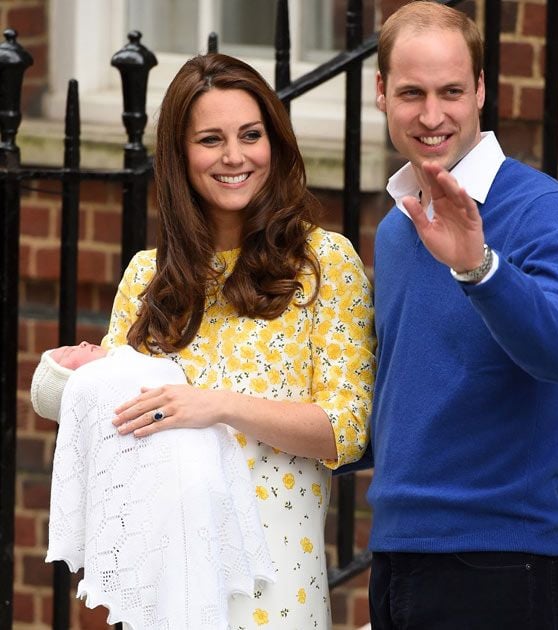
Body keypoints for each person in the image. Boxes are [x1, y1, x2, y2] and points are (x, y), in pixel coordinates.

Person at [100, 53, 376, 628]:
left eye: (251, 135)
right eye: (210, 139)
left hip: (278, 591)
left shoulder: (324, 263)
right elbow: (112, 431)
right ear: (180, 156)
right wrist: (66, 379)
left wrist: (218, 406)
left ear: (274, 144)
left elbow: (346, 431)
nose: (234, 156)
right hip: (165, 591)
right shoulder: (145, 279)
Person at [364, 1, 558, 628]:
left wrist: (479, 267)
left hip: (500, 562)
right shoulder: (394, 228)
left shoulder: (543, 207)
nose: (432, 115)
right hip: (397, 551)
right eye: (412, 92)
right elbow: (400, 393)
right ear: (381, 92)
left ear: (482, 92)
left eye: (451, 92)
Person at [30, 341, 275, 630]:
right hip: (168, 500)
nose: (81, 343)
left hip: (202, 484)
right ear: (70, 387)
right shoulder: (92, 384)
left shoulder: (127, 359)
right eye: (69, 354)